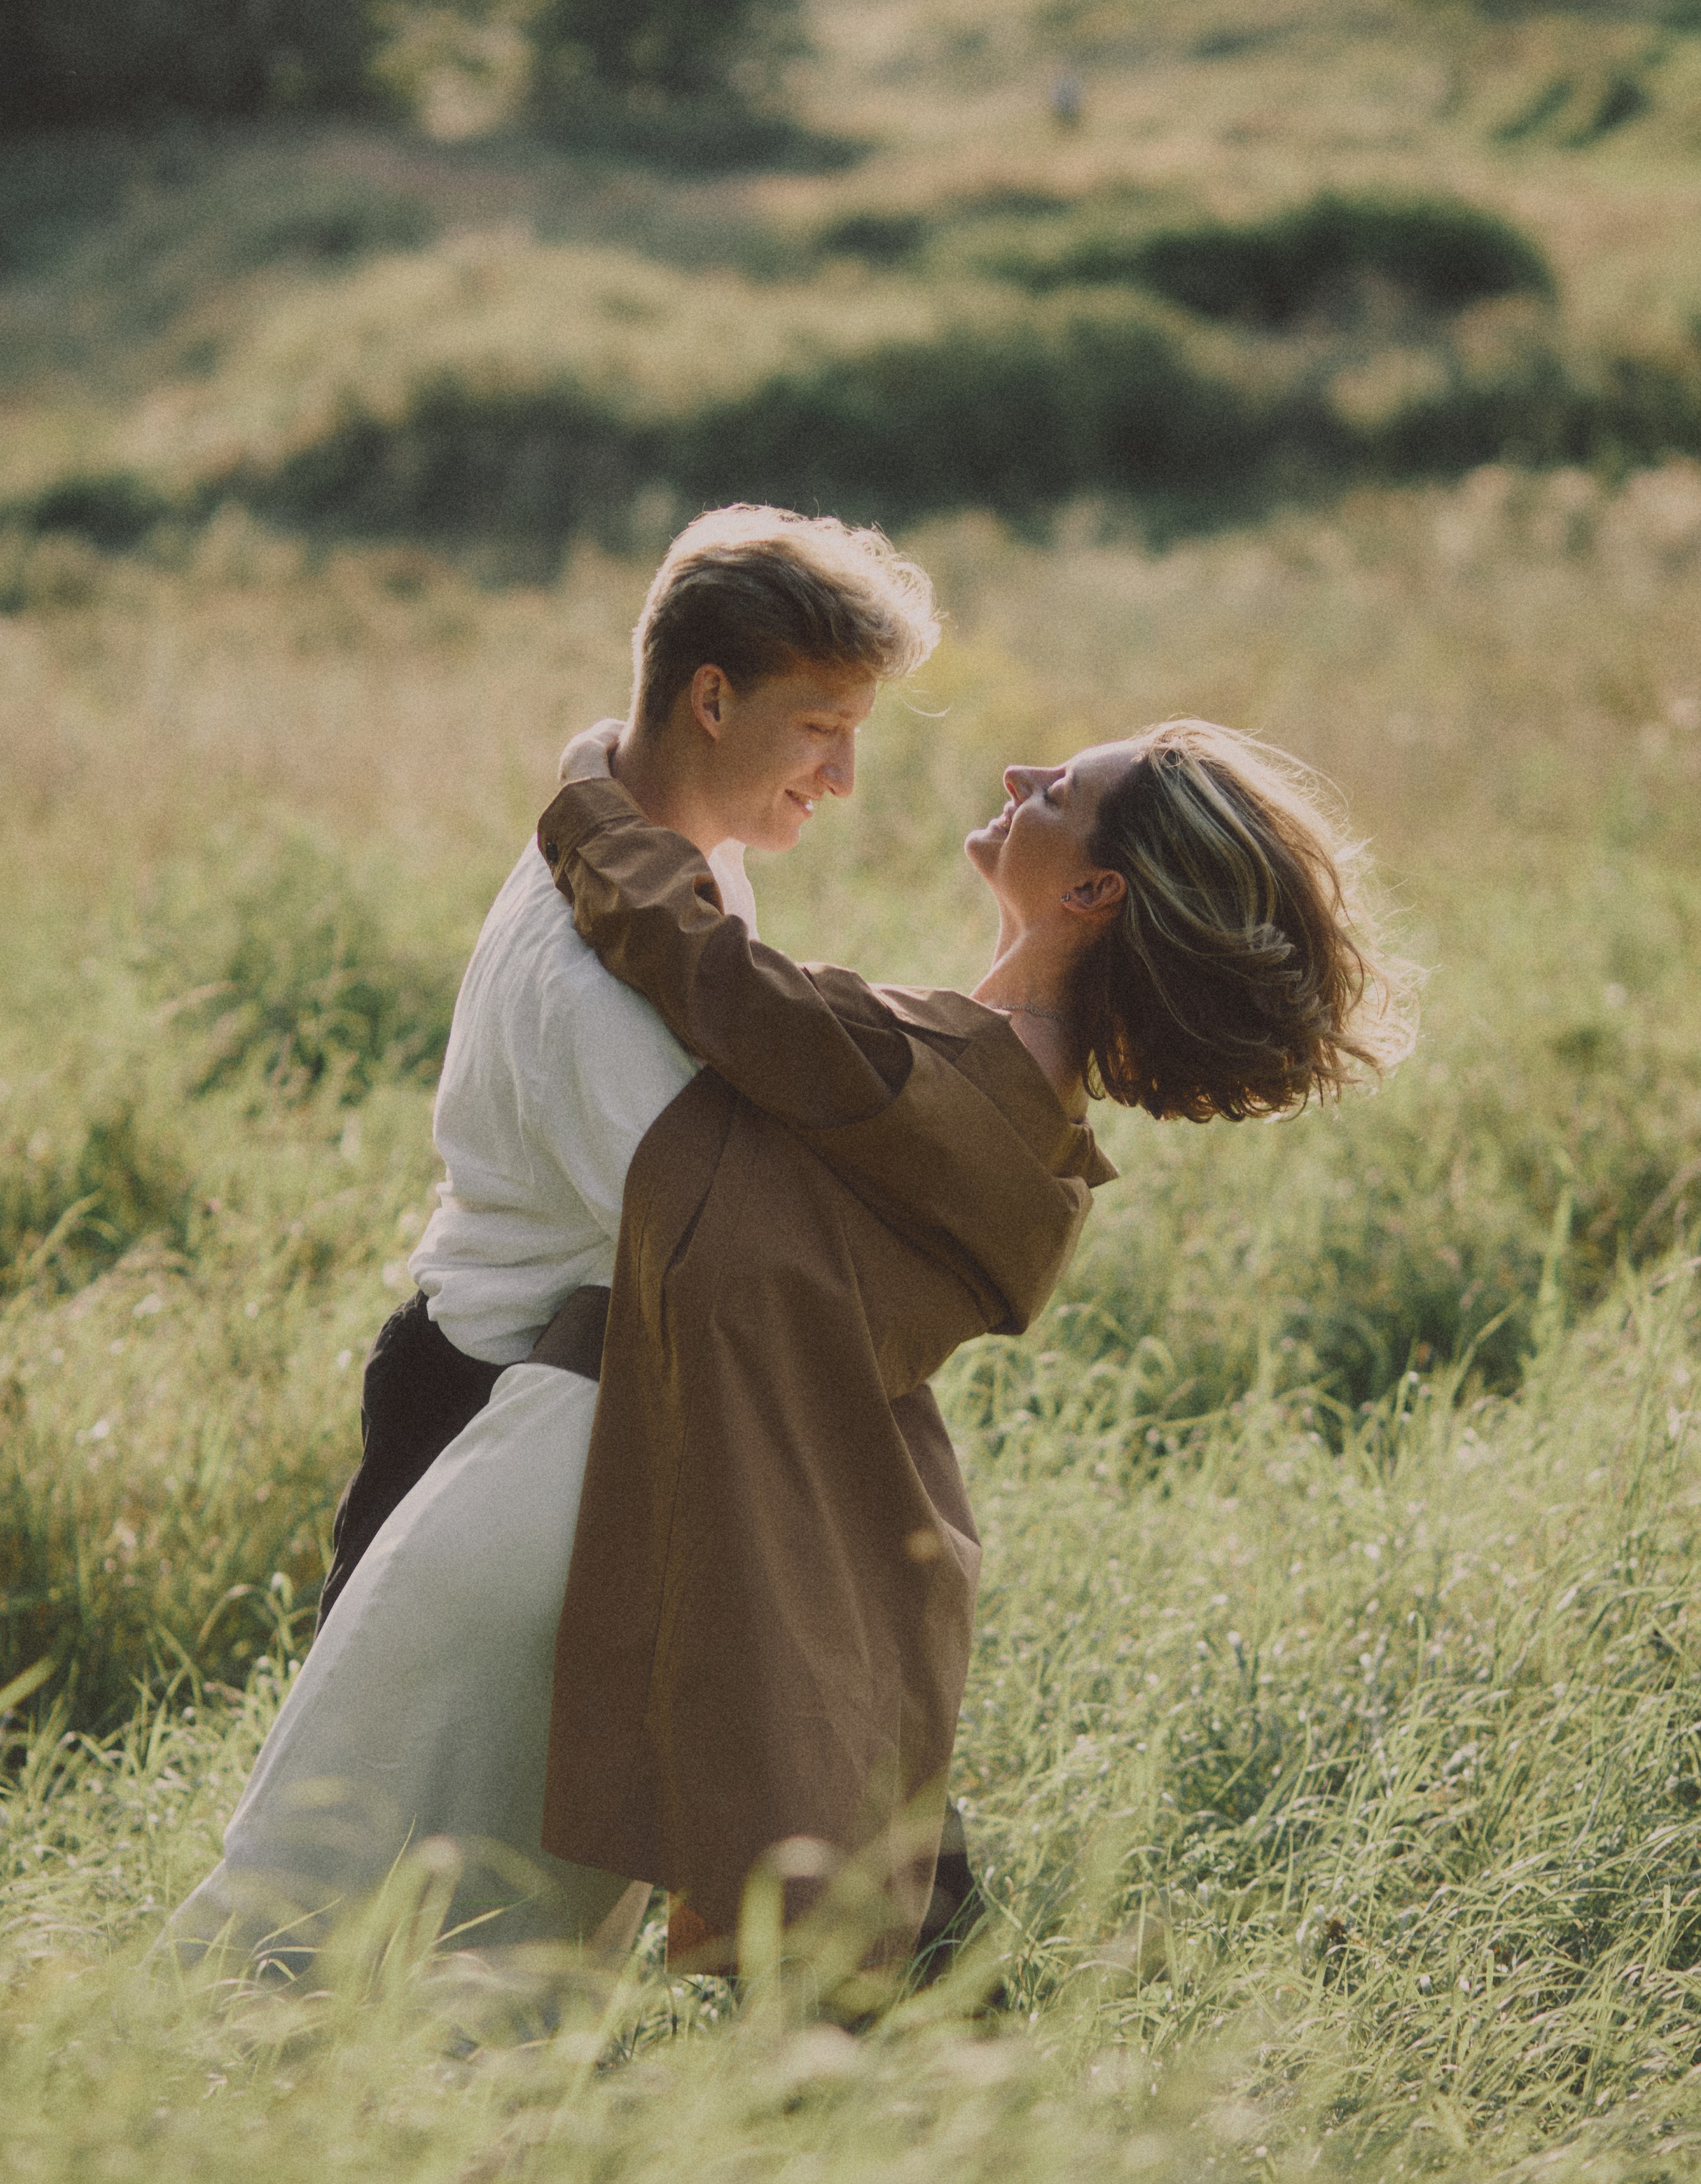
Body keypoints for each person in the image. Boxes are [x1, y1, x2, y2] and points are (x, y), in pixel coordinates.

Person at [167, 506, 941, 1969]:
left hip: (557, 1403)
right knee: (340, 1897)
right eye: (819, 728)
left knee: (472, 1898)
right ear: (708, 697)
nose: (842, 777)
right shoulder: (589, 971)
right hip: (483, 1414)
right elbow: (724, 1255)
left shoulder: (658, 845)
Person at [533, 718, 1414, 1970]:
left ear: (1095, 890)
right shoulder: (1030, 1112)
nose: (1019, 779)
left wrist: (590, 786)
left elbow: (704, 967)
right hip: (835, 1539)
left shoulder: (942, 1080)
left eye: (1058, 789)